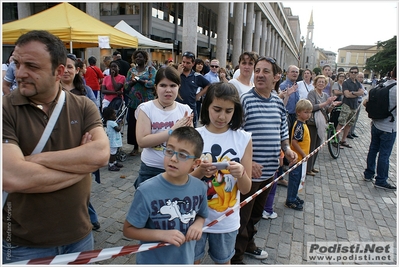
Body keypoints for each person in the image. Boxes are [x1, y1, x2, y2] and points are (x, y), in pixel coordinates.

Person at [2, 30, 109, 263]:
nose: (20, 73)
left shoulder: (83, 106)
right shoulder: (5, 110)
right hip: (21, 244)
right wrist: (81, 166)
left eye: (31, 66)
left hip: (80, 237)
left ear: (59, 71)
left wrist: (32, 161)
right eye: (16, 64)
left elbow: (101, 154)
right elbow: (11, 177)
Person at [231, 56, 298, 264]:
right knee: (242, 217)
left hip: (270, 171)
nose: (259, 74)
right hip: (250, 173)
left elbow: (282, 132)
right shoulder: (245, 100)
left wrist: (287, 150)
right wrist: (248, 163)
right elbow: (235, 135)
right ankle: (236, 256)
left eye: (265, 71)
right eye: (257, 70)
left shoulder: (278, 102)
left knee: (256, 215)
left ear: (275, 77)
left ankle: (249, 245)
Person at [123, 126, 208, 264]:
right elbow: (128, 230)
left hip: (184, 260)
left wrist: (198, 224)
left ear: (196, 163)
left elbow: (202, 214)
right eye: (169, 151)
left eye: (182, 155)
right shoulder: (146, 190)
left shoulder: (200, 187)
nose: (173, 158)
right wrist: (161, 234)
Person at [191, 82, 252, 264]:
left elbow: (246, 188)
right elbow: (182, 181)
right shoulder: (194, 135)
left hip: (226, 221)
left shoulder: (243, 138)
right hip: (193, 219)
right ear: (207, 105)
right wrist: (200, 171)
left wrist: (240, 173)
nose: (222, 116)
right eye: (217, 109)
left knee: (224, 261)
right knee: (191, 261)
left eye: (228, 111)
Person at [134, 66, 193, 188]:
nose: (168, 90)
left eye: (173, 86)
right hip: (151, 169)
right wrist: (172, 130)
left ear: (178, 87)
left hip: (178, 168)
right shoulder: (146, 109)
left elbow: (190, 144)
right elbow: (142, 141)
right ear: (156, 87)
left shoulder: (185, 109)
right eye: (163, 85)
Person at [61, 53, 101, 230]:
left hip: (84, 143)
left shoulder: (86, 92)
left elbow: (94, 119)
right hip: (61, 145)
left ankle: (89, 217)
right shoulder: (51, 93)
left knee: (82, 185)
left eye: (70, 67)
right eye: (63, 67)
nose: (66, 71)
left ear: (77, 70)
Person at [363, 66, 397, 190]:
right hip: (389, 127)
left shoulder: (381, 85)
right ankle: (381, 180)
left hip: (376, 124)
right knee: (384, 154)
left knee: (373, 149)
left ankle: (368, 173)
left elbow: (366, 102)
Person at [124, 50, 157, 156]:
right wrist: (132, 82)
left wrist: (142, 81)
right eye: (137, 57)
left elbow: (154, 83)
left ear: (145, 59)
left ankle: (151, 144)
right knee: (133, 123)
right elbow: (126, 85)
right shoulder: (131, 70)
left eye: (141, 57)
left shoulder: (151, 70)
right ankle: (135, 146)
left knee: (148, 123)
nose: (138, 59)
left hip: (147, 100)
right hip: (134, 101)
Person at [306, 75, 338, 176]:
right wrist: (326, 103)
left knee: (317, 145)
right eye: (319, 82)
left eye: (323, 82)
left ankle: (312, 166)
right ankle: (307, 168)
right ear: (315, 83)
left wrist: (331, 106)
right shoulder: (312, 93)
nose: (321, 84)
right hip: (312, 123)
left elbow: (326, 111)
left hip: (321, 123)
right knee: (311, 146)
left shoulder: (325, 95)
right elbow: (311, 107)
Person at [285, 99, 313, 210]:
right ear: (298, 112)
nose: (308, 115)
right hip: (297, 158)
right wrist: (303, 154)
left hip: (301, 159)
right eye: (306, 112)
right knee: (294, 179)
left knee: (297, 179)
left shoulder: (303, 124)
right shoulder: (299, 126)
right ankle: (290, 200)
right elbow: (294, 142)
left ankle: (294, 196)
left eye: (310, 112)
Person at [176, 51, 210, 127]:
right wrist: (178, 74)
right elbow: (171, 83)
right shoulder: (177, 73)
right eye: (183, 62)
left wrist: (199, 95)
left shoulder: (196, 76)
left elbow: (208, 85)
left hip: (190, 108)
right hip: (177, 107)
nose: (185, 65)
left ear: (193, 64)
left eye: (188, 63)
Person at [335, 66, 364, 148]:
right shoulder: (346, 83)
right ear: (349, 73)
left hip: (354, 106)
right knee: (341, 122)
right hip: (346, 105)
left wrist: (353, 93)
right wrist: (356, 93)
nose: (353, 74)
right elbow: (347, 95)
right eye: (352, 72)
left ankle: (343, 140)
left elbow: (362, 93)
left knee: (350, 123)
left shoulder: (358, 83)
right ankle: (336, 140)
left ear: (357, 73)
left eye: (355, 72)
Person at [279, 65, 300, 137]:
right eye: (293, 72)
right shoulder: (283, 86)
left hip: (295, 115)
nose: (295, 74)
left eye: (296, 72)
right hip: (286, 116)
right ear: (287, 73)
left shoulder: (296, 85)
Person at [103, 107, 124, 171]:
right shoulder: (111, 122)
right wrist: (120, 124)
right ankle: (111, 164)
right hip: (113, 141)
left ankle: (114, 162)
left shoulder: (110, 122)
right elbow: (118, 129)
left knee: (114, 152)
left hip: (114, 140)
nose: (115, 115)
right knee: (113, 153)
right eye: (114, 114)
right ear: (110, 116)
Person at [348, 72, 367, 138]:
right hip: (353, 103)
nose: (361, 78)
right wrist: (358, 93)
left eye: (362, 77)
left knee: (355, 119)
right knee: (351, 118)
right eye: (359, 77)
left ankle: (352, 131)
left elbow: (365, 93)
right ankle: (348, 132)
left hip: (359, 102)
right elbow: (351, 93)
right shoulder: (354, 84)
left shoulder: (361, 85)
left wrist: (359, 93)